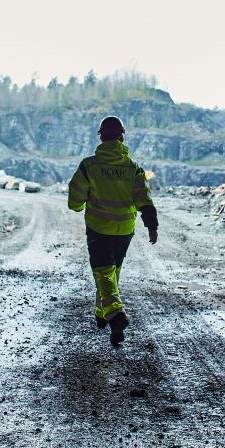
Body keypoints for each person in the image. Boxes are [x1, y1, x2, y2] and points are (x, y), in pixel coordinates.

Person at [67, 116, 158, 346]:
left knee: (103, 272)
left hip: (99, 229)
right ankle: (102, 313)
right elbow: (144, 199)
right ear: (122, 137)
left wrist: (80, 205)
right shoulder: (133, 168)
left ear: (101, 137)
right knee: (111, 273)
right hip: (124, 231)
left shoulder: (89, 166)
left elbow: (74, 201)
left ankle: (116, 315)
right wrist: (151, 225)